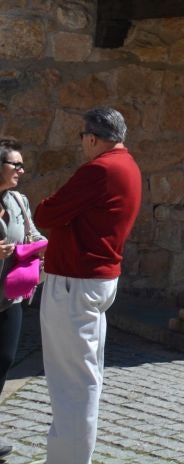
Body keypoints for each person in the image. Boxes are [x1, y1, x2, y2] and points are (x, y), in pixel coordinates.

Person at [33, 108, 141, 464]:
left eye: (83, 138)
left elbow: (46, 213)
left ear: (92, 138)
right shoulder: (128, 166)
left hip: (75, 284)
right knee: (81, 379)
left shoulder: (99, 169)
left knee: (72, 385)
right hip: (93, 281)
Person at [0, 139, 43, 459]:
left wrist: (43, 246)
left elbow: (33, 234)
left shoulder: (18, 201)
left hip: (8, 299)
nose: (21, 170)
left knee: (3, 360)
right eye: (15, 164)